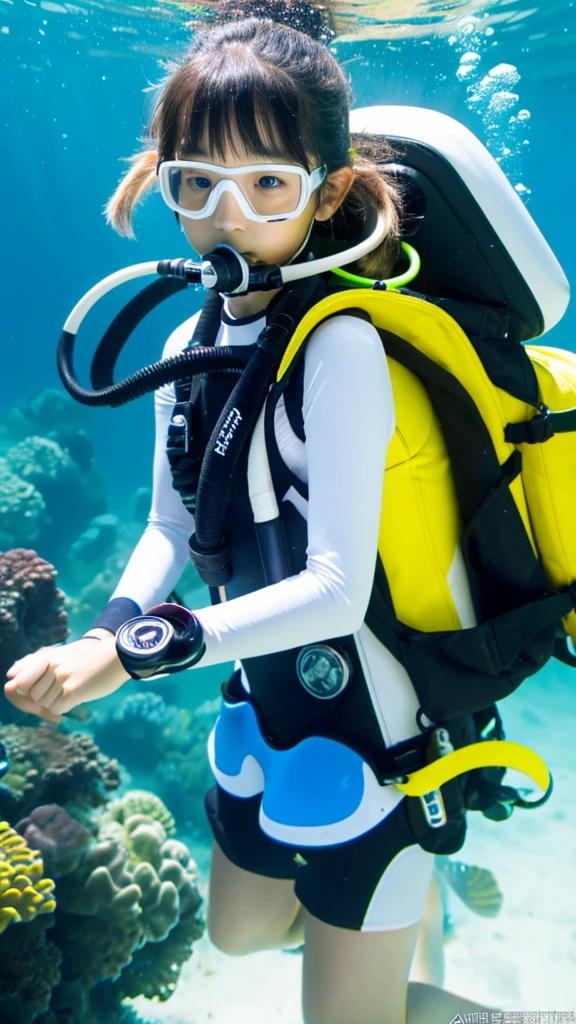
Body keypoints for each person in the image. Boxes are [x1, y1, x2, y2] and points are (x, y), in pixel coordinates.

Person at [5, 18, 501, 1024]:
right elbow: (170, 527)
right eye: (198, 183)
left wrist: (143, 653)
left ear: (327, 190)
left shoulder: (342, 347)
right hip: (261, 700)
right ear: (163, 180)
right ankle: (394, 920)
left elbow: (334, 590)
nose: (229, 216)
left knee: (346, 1021)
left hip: (375, 724)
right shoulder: (188, 340)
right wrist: (108, 628)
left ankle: (434, 935)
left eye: (267, 185)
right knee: (237, 934)